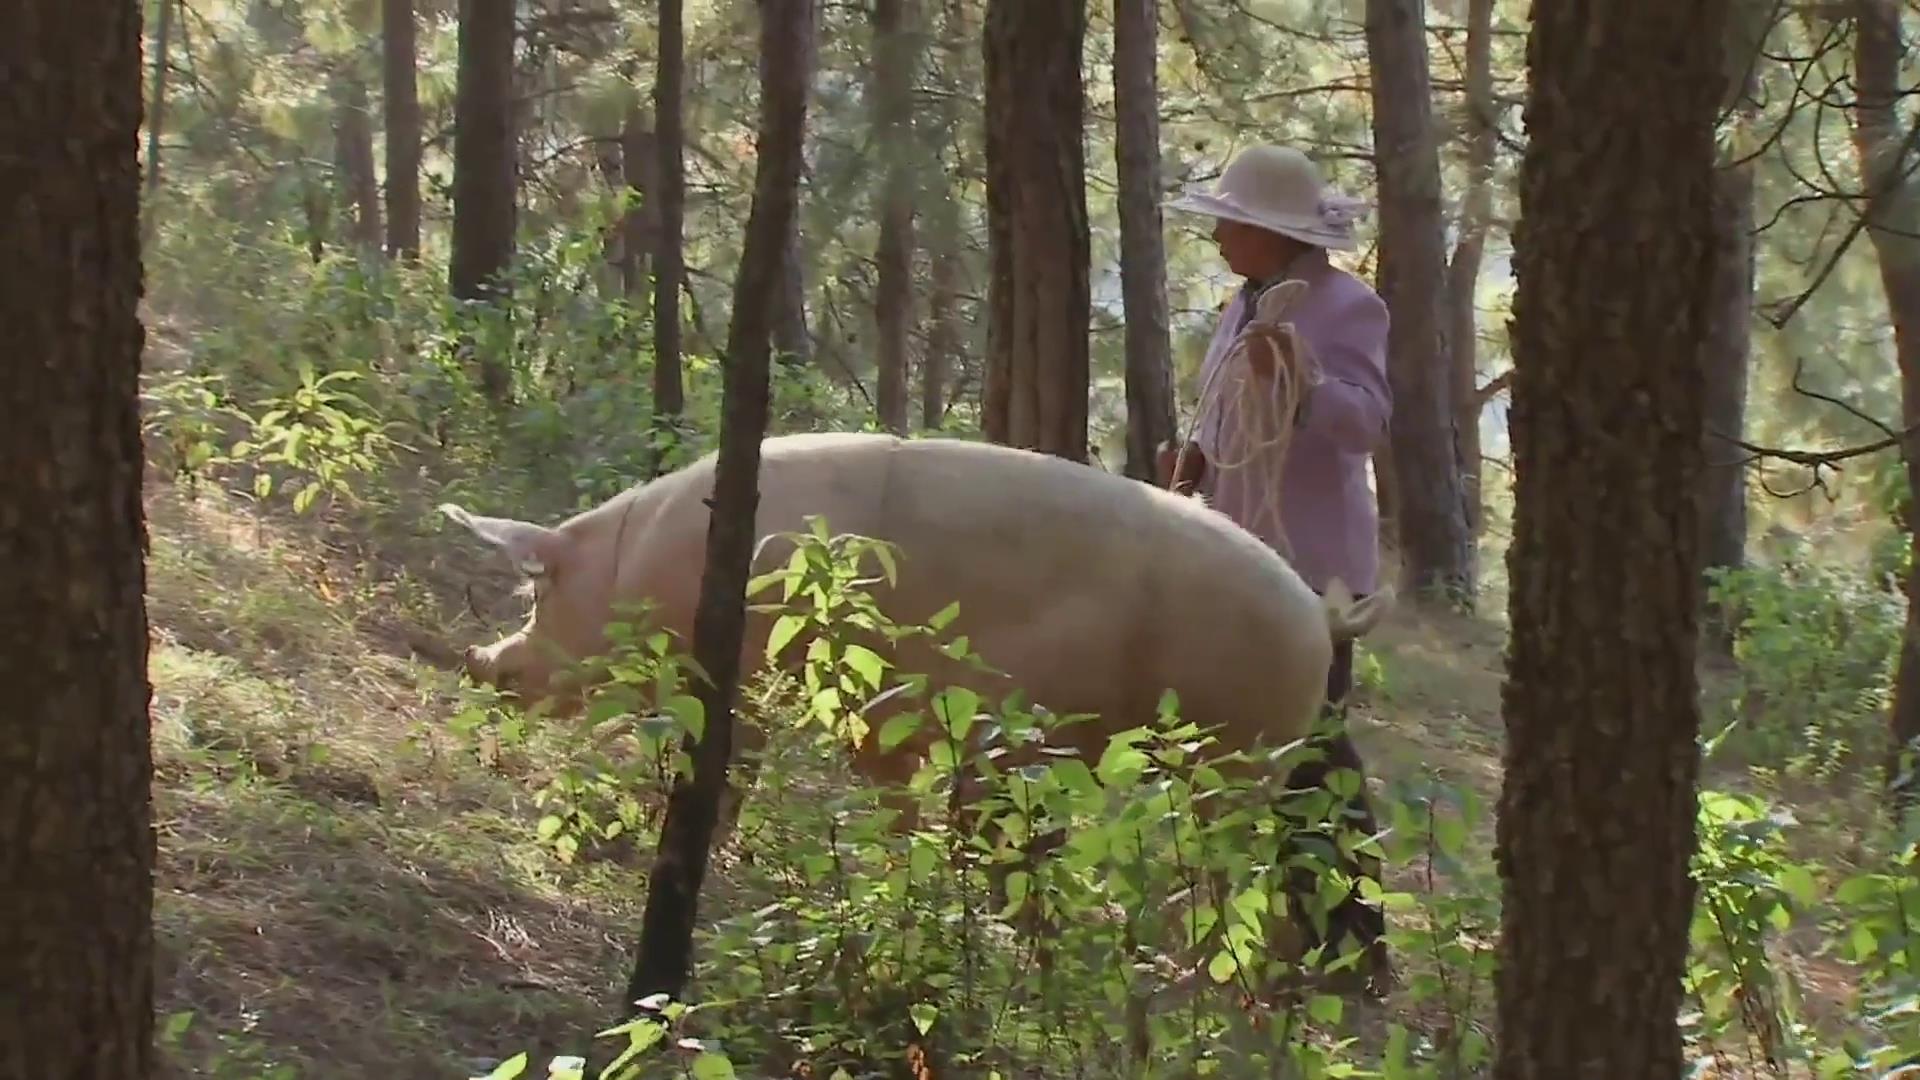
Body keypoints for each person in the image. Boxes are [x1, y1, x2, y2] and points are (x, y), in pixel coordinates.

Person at [1159, 143, 1395, 995]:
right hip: (1242, 553)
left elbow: (1364, 424)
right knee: (1250, 743)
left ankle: (1356, 943)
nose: (1218, 235)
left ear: (1269, 232)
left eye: (1230, 222)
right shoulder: (1245, 301)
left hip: (1313, 571)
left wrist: (1300, 385)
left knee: (1315, 752)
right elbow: (1229, 410)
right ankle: (1283, 927)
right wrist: (1195, 461)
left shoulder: (1348, 307)